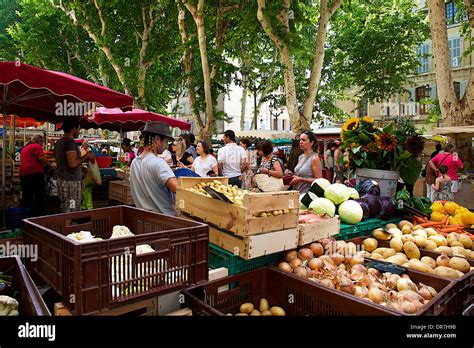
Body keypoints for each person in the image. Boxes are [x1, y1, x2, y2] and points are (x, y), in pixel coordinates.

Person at [130, 122, 178, 216]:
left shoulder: (134, 162)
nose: (166, 146)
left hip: (143, 218)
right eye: (166, 142)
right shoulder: (158, 163)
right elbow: (178, 189)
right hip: (165, 220)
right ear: (157, 139)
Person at [55, 119, 95, 212]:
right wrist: (87, 156)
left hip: (63, 180)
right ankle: (70, 226)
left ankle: (67, 225)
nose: (79, 131)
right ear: (74, 129)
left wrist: (82, 168)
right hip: (71, 182)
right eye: (79, 129)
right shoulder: (70, 142)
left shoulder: (59, 142)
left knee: (66, 208)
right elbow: (72, 163)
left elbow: (66, 162)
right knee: (71, 210)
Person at [19, 135, 54, 216]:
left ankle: (27, 216)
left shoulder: (25, 148)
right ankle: (39, 217)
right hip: (35, 174)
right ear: (40, 141)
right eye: (42, 143)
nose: (42, 145)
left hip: (24, 174)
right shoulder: (36, 146)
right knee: (39, 196)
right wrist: (51, 165)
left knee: (27, 196)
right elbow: (41, 158)